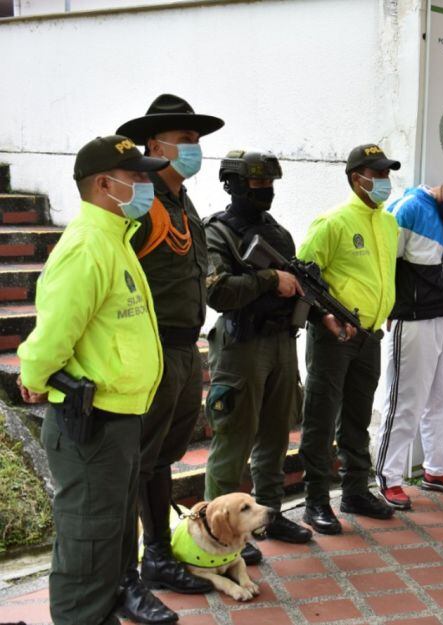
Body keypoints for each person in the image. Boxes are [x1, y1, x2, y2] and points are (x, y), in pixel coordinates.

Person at [17, 135, 167, 625]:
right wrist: (35, 376)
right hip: (92, 423)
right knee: (88, 547)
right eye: (137, 176)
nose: (146, 185)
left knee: (110, 541)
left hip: (118, 417)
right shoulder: (87, 246)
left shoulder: (115, 238)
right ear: (104, 184)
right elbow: (52, 333)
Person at [115, 95, 228, 610]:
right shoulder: (142, 204)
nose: (194, 149)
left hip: (185, 347)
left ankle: (157, 555)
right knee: (140, 460)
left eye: (196, 140)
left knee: (163, 456)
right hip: (152, 347)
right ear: (154, 146)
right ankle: (138, 565)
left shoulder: (183, 201)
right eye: (185, 140)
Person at [201, 150, 312, 554]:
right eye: (257, 183)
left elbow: (294, 283)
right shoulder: (216, 233)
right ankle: (221, 532)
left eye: (270, 183)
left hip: (281, 342)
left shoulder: (277, 233)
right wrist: (268, 279)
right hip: (241, 346)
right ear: (233, 185)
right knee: (234, 441)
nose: (266, 190)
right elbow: (217, 292)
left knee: (275, 437)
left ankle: (269, 517)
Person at [297, 144, 400, 533]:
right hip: (334, 337)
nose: (385, 181)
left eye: (388, 173)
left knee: (357, 417)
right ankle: (315, 501)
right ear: (357, 179)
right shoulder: (332, 223)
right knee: (321, 418)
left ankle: (355, 491)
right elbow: (303, 278)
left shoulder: (387, 223)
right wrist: (325, 317)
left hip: (370, 334)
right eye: (378, 174)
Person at [373, 172, 443, 510]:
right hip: (413, 318)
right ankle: (389, 477)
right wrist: (389, 306)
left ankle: (437, 469)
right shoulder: (408, 208)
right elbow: (384, 262)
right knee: (405, 400)